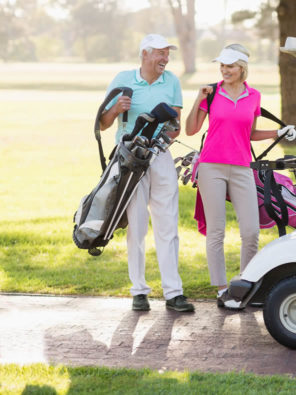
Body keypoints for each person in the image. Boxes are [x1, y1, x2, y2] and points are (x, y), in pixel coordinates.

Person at [185, 44, 296, 310]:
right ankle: (223, 290)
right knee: (217, 231)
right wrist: (197, 99)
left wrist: (277, 133)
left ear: (242, 68)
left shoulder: (254, 96)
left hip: (243, 167)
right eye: (222, 65)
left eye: (230, 66)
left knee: (250, 231)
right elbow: (190, 130)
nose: (225, 70)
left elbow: (249, 133)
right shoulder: (211, 93)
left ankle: (245, 285)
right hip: (211, 167)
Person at [100, 33, 194, 313]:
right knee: (137, 227)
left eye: (168, 54)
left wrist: (164, 132)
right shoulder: (122, 80)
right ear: (145, 54)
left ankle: (173, 293)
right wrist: (117, 108)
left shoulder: (172, 82)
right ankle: (139, 291)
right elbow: (103, 124)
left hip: (160, 158)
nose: (165, 59)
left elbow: (176, 126)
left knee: (168, 226)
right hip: (130, 160)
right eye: (161, 53)